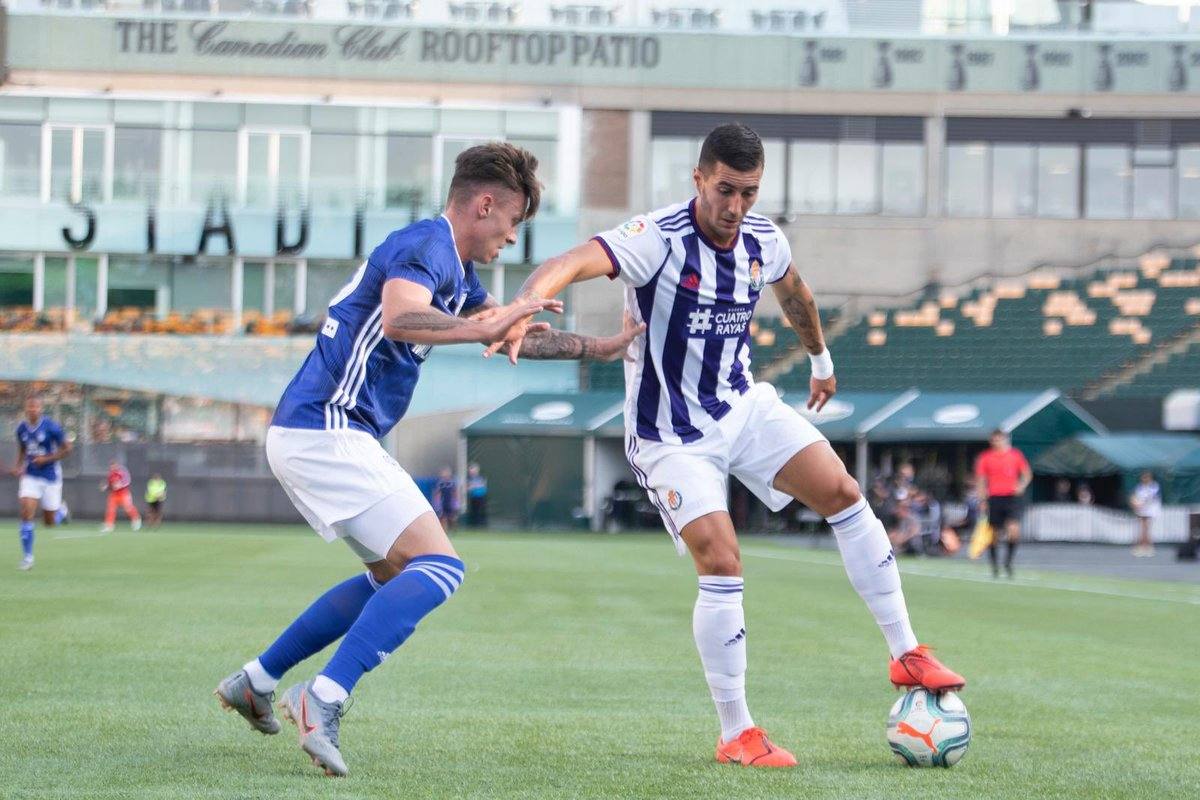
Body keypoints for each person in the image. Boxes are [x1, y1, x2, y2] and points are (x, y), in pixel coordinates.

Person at [495, 122, 964, 767]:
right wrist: (526, 302)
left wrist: (821, 360)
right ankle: (737, 732)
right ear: (698, 179)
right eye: (724, 190)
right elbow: (573, 261)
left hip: (743, 408)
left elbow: (795, 292)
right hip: (670, 436)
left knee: (846, 494)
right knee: (721, 559)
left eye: (748, 192)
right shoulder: (656, 240)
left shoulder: (763, 240)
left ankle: (906, 651)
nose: (735, 206)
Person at [212, 142, 643, 778]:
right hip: (328, 428)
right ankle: (324, 697)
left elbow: (510, 329)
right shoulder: (426, 247)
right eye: (512, 223)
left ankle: (257, 679)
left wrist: (600, 347)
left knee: (391, 578)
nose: (510, 239)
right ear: (485, 204)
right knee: (440, 567)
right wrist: (486, 328)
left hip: (318, 431)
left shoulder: (454, 271)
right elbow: (402, 319)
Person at [10, 394, 72, 570]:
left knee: (49, 522)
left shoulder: (52, 427)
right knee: (26, 510)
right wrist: (18, 466)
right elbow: (22, 449)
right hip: (30, 476)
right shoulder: (21, 428)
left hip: (51, 476)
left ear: (41, 408)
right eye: (29, 407)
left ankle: (62, 512)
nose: (32, 410)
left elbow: (68, 448)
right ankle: (28, 557)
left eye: (35, 407)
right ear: (26, 408)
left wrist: (46, 459)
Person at [974, 429, 1031, 578]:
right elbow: (980, 480)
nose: (997, 442)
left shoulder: (1015, 455)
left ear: (1005, 440)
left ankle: (1008, 562)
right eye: (994, 440)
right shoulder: (985, 457)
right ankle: (994, 565)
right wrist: (982, 499)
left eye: (999, 439)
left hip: (1011, 498)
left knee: (1014, 531)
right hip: (994, 498)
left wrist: (1021, 486)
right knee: (994, 534)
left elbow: (1027, 474)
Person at [101, 459, 142, 533]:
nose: (112, 468)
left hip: (123, 494)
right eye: (111, 466)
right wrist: (105, 487)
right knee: (111, 510)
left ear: (117, 466)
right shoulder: (110, 475)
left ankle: (136, 520)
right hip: (114, 495)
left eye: (114, 466)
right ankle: (109, 525)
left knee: (128, 508)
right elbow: (110, 486)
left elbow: (127, 481)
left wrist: (120, 485)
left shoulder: (122, 473)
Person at [1130, 470, 1161, 557]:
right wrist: (1134, 503)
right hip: (1142, 510)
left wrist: (1140, 504)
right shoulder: (1140, 487)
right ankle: (1143, 546)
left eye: (1146, 477)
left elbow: (1149, 498)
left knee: (1145, 528)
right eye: (1143, 477)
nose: (1144, 479)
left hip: (1150, 510)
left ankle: (1147, 547)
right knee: (1142, 529)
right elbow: (1134, 497)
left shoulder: (1154, 486)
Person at [465, 462, 488, 527]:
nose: (472, 471)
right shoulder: (469, 479)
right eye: (470, 469)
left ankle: (482, 524)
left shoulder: (481, 477)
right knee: (474, 511)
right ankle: (474, 525)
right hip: (473, 497)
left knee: (481, 511)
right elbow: (468, 488)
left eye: (474, 469)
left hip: (481, 497)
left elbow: (483, 486)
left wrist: (474, 486)